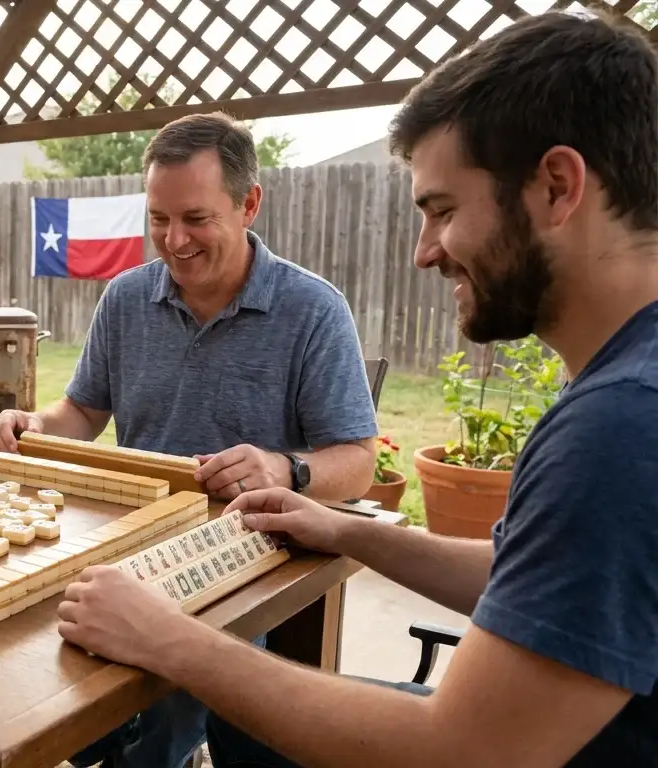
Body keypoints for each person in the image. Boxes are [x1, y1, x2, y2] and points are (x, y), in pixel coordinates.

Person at [55, 10, 658, 768]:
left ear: (558, 187)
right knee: (245, 729)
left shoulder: (621, 425)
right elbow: (533, 574)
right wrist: (349, 532)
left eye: (443, 210)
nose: (424, 251)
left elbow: (461, 751)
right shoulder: (627, 388)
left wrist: (167, 638)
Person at [0, 113, 379, 767]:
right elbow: (83, 410)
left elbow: (358, 463)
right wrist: (38, 424)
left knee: (182, 679)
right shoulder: (125, 298)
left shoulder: (312, 310)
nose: (174, 240)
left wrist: (285, 469)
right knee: (28, 628)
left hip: (245, 554)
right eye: (159, 219)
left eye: (196, 218)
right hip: (131, 533)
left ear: (249, 204)